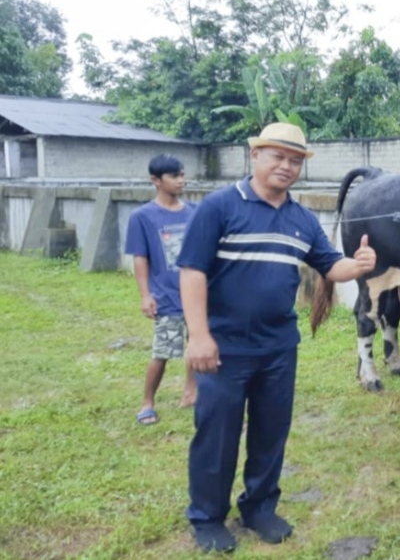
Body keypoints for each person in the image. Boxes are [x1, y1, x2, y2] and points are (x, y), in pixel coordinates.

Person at [176, 122, 376, 553]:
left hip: (278, 347)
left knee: (271, 432)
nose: (286, 166)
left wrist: (357, 265)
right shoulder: (219, 208)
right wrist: (198, 336)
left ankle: (259, 507)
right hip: (224, 346)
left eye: (295, 160)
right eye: (278, 157)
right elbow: (192, 271)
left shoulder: (301, 219)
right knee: (217, 435)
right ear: (256, 156)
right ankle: (208, 517)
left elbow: (329, 265)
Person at [126, 154, 197, 426]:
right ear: (155, 180)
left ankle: (190, 393)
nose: (181, 180)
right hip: (166, 297)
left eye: (182, 174)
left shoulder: (194, 212)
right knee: (163, 352)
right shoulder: (142, 217)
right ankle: (147, 403)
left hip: (197, 294)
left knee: (197, 344)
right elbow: (140, 258)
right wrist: (146, 295)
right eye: (174, 176)